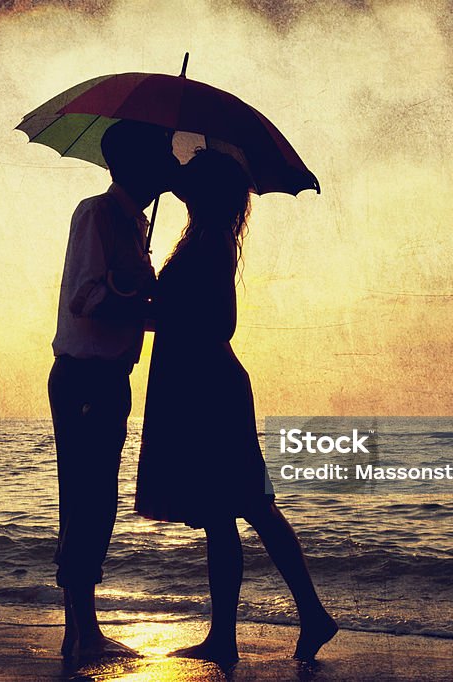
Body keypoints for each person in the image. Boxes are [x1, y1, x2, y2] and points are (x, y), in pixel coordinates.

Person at [135, 148, 338, 668]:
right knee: (226, 511)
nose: (182, 178)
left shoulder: (212, 240)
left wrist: (157, 304)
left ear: (207, 190)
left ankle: (303, 616)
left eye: (193, 174)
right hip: (196, 386)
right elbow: (177, 315)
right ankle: (229, 634)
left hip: (208, 389)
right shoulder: (201, 236)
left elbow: (219, 322)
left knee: (249, 505)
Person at [49, 119, 178, 660]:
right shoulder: (98, 214)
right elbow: (86, 297)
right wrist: (152, 310)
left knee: (95, 500)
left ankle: (80, 629)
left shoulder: (132, 227)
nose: (167, 170)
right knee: (87, 499)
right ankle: (83, 631)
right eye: (160, 159)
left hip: (109, 379)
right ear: (133, 165)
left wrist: (150, 306)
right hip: (84, 376)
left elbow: (123, 300)